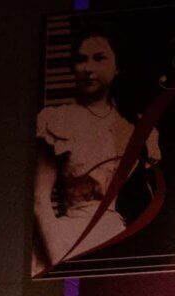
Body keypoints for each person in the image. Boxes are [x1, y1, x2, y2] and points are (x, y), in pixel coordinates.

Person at [33, 27, 160, 273]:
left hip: (113, 235)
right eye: (81, 59)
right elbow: (39, 200)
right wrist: (60, 257)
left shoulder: (133, 127)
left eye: (99, 58)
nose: (88, 68)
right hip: (66, 237)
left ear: (117, 66)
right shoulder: (57, 121)